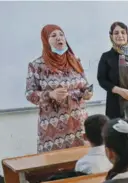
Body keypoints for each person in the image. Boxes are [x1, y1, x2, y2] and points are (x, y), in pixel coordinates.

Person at [25, 24, 92, 153]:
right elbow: (30, 94)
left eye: (61, 35)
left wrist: (87, 93)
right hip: (54, 129)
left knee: (82, 163)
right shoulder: (37, 66)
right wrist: (50, 94)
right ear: (45, 40)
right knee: (55, 166)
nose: (59, 38)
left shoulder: (75, 61)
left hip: (79, 123)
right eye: (53, 36)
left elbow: (84, 86)